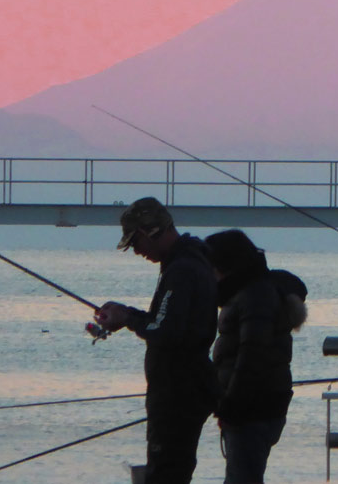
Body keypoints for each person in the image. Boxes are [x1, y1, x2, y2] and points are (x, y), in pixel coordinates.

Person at [93, 198, 218, 484]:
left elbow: (165, 330)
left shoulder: (182, 270)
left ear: (151, 231)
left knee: (166, 474)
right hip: (186, 390)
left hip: (177, 394)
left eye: (135, 240)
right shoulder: (190, 262)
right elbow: (165, 320)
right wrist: (127, 314)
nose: (135, 250)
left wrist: (126, 318)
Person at [205, 230, 308, 484]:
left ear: (226, 266)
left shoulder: (254, 296)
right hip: (260, 405)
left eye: (212, 268)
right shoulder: (254, 291)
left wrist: (230, 406)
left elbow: (252, 355)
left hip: (251, 410)